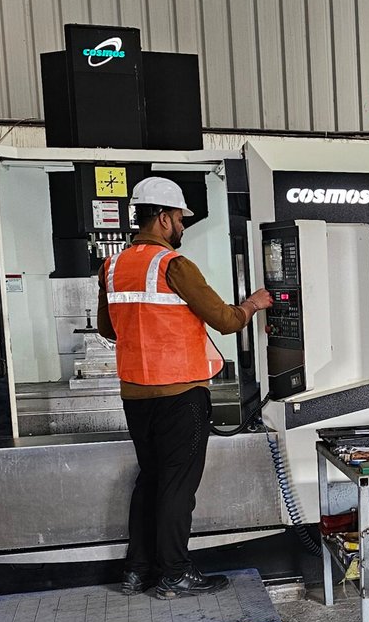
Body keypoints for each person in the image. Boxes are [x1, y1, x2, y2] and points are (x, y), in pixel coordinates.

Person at [97, 175, 274, 598]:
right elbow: (226, 321)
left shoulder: (112, 266)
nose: (181, 227)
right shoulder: (173, 265)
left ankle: (136, 571)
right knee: (177, 486)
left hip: (135, 395)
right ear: (163, 218)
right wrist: (254, 303)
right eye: (179, 218)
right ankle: (175, 573)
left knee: (151, 479)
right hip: (180, 395)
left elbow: (108, 329)